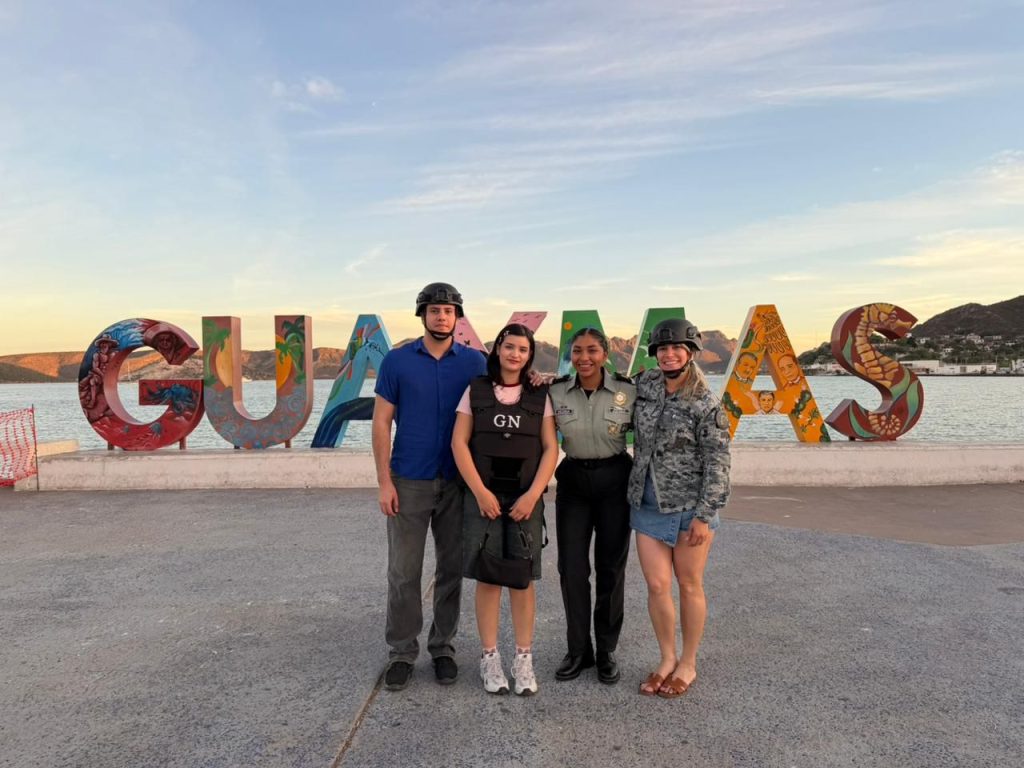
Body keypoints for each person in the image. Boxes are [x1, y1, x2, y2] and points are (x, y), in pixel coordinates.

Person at [372, 282, 487, 692]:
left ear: (458, 318)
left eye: (449, 310)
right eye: (435, 310)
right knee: (404, 572)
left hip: (458, 482)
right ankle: (402, 652)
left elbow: (508, 390)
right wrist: (384, 481)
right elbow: (381, 422)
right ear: (423, 315)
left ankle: (442, 648)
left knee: (451, 569)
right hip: (409, 480)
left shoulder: (475, 362)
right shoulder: (398, 361)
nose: (442, 316)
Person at [451, 323, 558, 696]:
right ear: (498, 348)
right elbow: (459, 443)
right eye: (509, 346)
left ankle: (523, 659)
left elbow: (551, 447)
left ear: (530, 356)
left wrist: (533, 494)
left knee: (521, 578)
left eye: (523, 349)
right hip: (484, 500)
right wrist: (479, 492)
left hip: (525, 500)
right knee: (489, 576)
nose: (515, 354)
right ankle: (490, 657)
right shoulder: (476, 391)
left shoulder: (539, 394)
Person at [629, 318, 731, 698]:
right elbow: (605, 388)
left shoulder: (705, 402)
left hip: (690, 509)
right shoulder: (645, 385)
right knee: (657, 586)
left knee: (689, 585)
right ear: (655, 353)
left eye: (677, 348)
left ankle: (688, 662)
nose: (669, 354)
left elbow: (719, 462)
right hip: (648, 503)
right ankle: (666, 658)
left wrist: (704, 515)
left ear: (690, 353)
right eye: (662, 348)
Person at [548, 327, 636, 684]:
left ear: (605, 355)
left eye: (592, 351)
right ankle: (578, 650)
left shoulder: (629, 390)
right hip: (573, 483)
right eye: (577, 351)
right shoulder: (555, 391)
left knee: (611, 569)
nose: (584, 358)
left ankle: (606, 650)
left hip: (615, 481)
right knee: (571, 569)